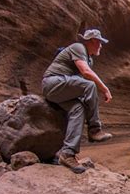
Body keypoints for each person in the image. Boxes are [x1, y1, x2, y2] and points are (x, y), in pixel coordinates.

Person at [42, 29, 113, 174]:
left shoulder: (89, 59)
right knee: (90, 85)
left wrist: (87, 103)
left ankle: (67, 154)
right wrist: (105, 89)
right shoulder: (78, 47)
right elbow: (86, 74)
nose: (101, 46)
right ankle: (94, 129)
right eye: (99, 42)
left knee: (78, 109)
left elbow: (78, 83)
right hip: (52, 83)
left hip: (61, 90)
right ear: (92, 41)